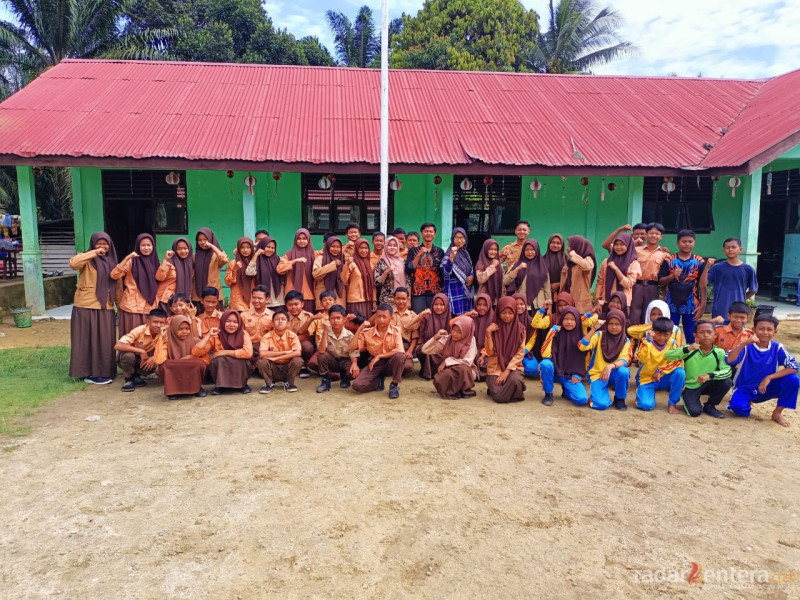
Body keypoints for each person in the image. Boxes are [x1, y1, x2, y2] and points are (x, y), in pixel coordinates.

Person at [726, 314, 799, 426]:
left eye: (769, 329)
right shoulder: (746, 346)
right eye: (761, 329)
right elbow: (729, 360)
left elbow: (794, 367)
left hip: (765, 388)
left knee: (793, 379)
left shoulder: (777, 347)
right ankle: (745, 401)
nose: (765, 332)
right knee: (739, 409)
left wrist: (769, 377)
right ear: (754, 330)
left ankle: (777, 413)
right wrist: (744, 343)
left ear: (775, 331)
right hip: (745, 388)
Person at [68, 232, 122, 384]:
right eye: (99, 243)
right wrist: (92, 253)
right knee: (86, 339)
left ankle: (105, 371)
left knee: (105, 340)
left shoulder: (113, 261)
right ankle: (87, 373)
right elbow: (73, 264)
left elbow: (118, 285)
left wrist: (120, 304)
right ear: (93, 244)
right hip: (85, 305)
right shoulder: (86, 259)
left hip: (106, 305)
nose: (102, 247)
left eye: (105, 244)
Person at [664, 320, 731, 418]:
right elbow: (668, 355)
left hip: (709, 383)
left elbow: (727, 370)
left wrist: (710, 375)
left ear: (715, 335)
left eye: (709, 332)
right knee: (694, 412)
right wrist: (687, 349)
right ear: (695, 335)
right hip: (691, 386)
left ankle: (710, 405)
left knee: (727, 381)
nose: (706, 335)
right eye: (702, 332)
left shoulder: (719, 352)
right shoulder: (690, 349)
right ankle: (689, 398)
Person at [658, 229, 707, 343]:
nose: (687, 244)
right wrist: (671, 276)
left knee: (691, 334)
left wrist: (703, 305)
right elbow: (660, 282)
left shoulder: (699, 261)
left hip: (691, 304)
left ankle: (691, 357)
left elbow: (702, 285)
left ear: (694, 243)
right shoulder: (669, 260)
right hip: (671, 304)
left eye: (690, 241)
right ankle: (671, 357)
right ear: (677, 243)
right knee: (669, 333)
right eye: (684, 241)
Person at [579, 310, 632, 410]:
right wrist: (594, 328)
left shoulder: (626, 340)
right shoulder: (599, 335)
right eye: (611, 323)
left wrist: (610, 366)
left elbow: (626, 359)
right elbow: (582, 346)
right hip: (598, 374)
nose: (613, 327)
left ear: (623, 325)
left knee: (623, 371)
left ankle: (619, 398)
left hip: (614, 372)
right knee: (601, 404)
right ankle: (598, 394)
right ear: (606, 324)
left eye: (617, 324)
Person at [351, 304, 405, 398]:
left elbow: (399, 350)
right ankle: (377, 382)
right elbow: (352, 347)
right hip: (374, 364)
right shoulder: (367, 333)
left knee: (399, 356)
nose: (381, 320)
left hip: (390, 361)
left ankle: (394, 385)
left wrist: (379, 356)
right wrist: (360, 328)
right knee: (357, 386)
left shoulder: (396, 331)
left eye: (384, 317)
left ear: (391, 318)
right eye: (378, 316)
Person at [194, 309, 254, 394]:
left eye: (235, 322)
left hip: (240, 364)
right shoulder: (216, 335)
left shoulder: (243, 334)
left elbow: (248, 353)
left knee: (243, 359)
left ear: (239, 323)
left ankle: (242, 385)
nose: (232, 325)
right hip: (222, 363)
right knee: (218, 360)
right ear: (222, 322)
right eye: (228, 321)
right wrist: (208, 335)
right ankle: (220, 386)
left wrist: (224, 352)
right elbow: (196, 353)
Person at [634, 317, 686, 412]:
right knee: (646, 405)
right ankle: (641, 394)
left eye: (666, 335)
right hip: (647, 378)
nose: (662, 338)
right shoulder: (645, 342)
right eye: (659, 334)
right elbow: (642, 359)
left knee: (680, 372)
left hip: (663, 377)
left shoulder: (673, 344)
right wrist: (649, 342)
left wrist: (660, 370)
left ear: (671, 334)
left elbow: (677, 361)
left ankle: (672, 403)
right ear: (653, 332)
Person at [113, 232, 160, 337]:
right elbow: (114, 275)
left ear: (153, 246)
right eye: (143, 245)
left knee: (147, 338)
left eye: (149, 245)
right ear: (138, 246)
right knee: (132, 337)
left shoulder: (155, 261)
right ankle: (128, 354)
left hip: (150, 306)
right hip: (132, 307)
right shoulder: (131, 261)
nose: (146, 248)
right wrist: (126, 258)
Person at [539, 307, 589, 406]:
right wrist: (552, 332)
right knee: (545, 364)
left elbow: (586, 359)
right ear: (561, 319)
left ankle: (566, 391)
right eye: (566, 319)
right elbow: (545, 353)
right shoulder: (556, 334)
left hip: (570, 375)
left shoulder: (582, 338)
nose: (569, 322)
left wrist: (578, 374)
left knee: (582, 399)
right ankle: (548, 393)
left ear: (577, 321)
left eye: (572, 319)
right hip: (556, 372)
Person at [421, 315, 478, 399]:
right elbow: (425, 350)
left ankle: (464, 389)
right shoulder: (447, 339)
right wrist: (436, 337)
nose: (454, 334)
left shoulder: (471, 340)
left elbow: (467, 361)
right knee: (442, 377)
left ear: (466, 331)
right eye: (454, 329)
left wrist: (446, 361)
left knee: (462, 368)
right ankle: (455, 391)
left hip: (468, 372)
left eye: (459, 331)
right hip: (449, 369)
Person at [702, 237, 758, 322]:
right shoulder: (717, 268)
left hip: (739, 313)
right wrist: (706, 268)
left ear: (740, 249)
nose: (730, 250)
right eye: (727, 248)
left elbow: (753, 290)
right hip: (719, 312)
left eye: (733, 247)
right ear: (723, 250)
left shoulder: (748, 269)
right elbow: (703, 284)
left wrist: (741, 299)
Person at [482, 296, 526, 403]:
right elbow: (490, 352)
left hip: (513, 367)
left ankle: (507, 389)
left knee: (514, 380)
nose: (507, 316)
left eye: (510, 313)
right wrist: (488, 333)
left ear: (515, 313)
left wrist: (506, 371)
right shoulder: (493, 328)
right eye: (504, 312)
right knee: (499, 395)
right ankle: (513, 391)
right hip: (496, 367)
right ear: (498, 312)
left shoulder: (520, 329)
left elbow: (520, 353)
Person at [153, 314, 208, 400]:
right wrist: (161, 338)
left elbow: (206, 360)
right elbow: (158, 360)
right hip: (174, 374)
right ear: (173, 329)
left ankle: (196, 388)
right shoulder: (167, 342)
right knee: (163, 365)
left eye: (187, 328)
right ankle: (172, 390)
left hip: (190, 372)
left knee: (200, 363)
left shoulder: (195, 341)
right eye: (180, 329)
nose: (184, 332)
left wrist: (190, 357)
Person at [114, 308, 166, 392]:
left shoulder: (164, 333)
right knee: (129, 356)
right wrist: (141, 351)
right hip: (128, 357)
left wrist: (153, 358)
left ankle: (137, 376)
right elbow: (118, 345)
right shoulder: (139, 330)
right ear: (148, 322)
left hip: (144, 359)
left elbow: (166, 349)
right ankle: (128, 380)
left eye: (162, 323)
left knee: (157, 361)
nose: (159, 325)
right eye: (155, 322)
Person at [629, 223, 670, 324]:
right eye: (651, 233)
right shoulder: (636, 250)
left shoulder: (665, 254)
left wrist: (665, 295)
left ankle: (647, 338)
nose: (654, 236)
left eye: (657, 234)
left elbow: (666, 275)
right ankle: (633, 338)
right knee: (634, 314)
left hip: (653, 287)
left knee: (650, 313)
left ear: (661, 237)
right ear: (646, 235)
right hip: (636, 285)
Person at [257, 309, 303, 393]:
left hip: (287, 366)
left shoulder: (292, 335)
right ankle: (269, 383)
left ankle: (289, 383)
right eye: (277, 319)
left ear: (288, 323)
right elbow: (262, 353)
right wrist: (284, 352)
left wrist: (276, 357)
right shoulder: (267, 336)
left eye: (283, 319)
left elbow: (297, 352)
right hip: (273, 366)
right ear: (272, 323)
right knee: (261, 362)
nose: (280, 321)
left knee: (298, 360)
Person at [316, 305, 359, 392]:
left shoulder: (349, 335)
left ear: (344, 319)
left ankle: (345, 377)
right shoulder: (324, 332)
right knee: (322, 355)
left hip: (345, 361)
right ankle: (325, 380)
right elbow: (321, 350)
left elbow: (353, 352)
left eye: (338, 318)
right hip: (333, 361)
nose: (335, 321)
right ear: (329, 319)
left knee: (353, 374)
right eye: (332, 318)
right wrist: (325, 331)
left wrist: (354, 364)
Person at [595, 232, 640, 313]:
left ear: (629, 246)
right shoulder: (606, 262)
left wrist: (616, 269)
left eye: (622, 244)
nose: (618, 247)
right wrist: (598, 300)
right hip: (606, 302)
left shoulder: (634, 263)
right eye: (616, 244)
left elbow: (628, 284)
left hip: (623, 304)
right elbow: (600, 282)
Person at [504, 239, 551, 314]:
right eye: (527, 250)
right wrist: (517, 269)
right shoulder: (516, 265)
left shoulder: (542, 267)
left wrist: (549, 305)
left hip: (538, 305)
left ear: (537, 250)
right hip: (520, 305)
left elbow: (547, 288)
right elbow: (505, 281)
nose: (529, 252)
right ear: (523, 251)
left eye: (532, 249)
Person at [406, 222, 445, 313]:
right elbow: (408, 270)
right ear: (421, 233)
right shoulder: (413, 251)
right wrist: (419, 255)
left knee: (434, 317)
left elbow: (442, 272)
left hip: (435, 291)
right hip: (417, 292)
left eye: (431, 231)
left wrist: (442, 288)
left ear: (434, 234)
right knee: (418, 318)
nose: (428, 233)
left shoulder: (440, 252)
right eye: (426, 231)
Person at [279, 228, 317, 313]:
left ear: (308, 240)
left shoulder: (314, 254)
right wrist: (295, 261)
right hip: (292, 293)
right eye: (299, 239)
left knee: (308, 320)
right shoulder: (289, 254)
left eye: (304, 239)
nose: (301, 241)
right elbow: (280, 269)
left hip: (309, 294)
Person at [416, 293, 452, 379]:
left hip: (444, 349)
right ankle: (428, 372)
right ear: (432, 305)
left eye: (442, 304)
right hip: (428, 345)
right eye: (436, 304)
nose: (438, 307)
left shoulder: (450, 319)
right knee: (426, 351)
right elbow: (421, 337)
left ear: (446, 305)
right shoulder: (426, 318)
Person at [440, 227, 475, 315]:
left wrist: (472, 276)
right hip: (454, 291)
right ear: (453, 239)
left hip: (466, 291)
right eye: (457, 237)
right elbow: (446, 272)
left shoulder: (466, 254)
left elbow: (471, 268)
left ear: (465, 239)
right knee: (455, 318)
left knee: (466, 317)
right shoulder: (448, 254)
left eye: (462, 237)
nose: (459, 240)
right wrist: (452, 256)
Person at [559, 236, 596, 314]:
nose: (568, 249)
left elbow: (588, 266)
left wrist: (574, 255)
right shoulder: (569, 263)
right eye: (568, 246)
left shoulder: (587, 259)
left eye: (570, 246)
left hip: (581, 305)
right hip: (567, 302)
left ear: (577, 247)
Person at [155, 237, 193, 313]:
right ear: (175, 250)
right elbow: (159, 277)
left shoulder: (190, 263)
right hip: (167, 300)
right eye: (179, 249)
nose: (183, 251)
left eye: (185, 248)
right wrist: (165, 259)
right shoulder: (169, 262)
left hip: (182, 301)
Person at [248, 236, 285, 310]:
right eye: (267, 247)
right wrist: (256, 254)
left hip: (278, 301)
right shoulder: (257, 260)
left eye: (273, 248)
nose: (270, 250)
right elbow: (249, 272)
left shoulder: (279, 259)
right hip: (262, 301)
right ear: (262, 247)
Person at [192, 228, 228, 302]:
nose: (203, 242)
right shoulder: (194, 256)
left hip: (213, 294)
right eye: (200, 240)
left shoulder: (216, 255)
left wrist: (212, 246)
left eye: (206, 239)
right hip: (197, 295)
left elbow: (224, 259)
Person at [285, 290, 316, 377]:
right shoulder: (283, 317)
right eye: (290, 305)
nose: (293, 307)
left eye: (296, 304)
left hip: (301, 342)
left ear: (302, 304)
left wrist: (294, 340)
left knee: (307, 347)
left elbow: (306, 335)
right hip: (286, 343)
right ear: (286, 305)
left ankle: (304, 366)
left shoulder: (309, 316)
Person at [241, 285, 274, 365]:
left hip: (265, 348)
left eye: (260, 298)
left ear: (267, 299)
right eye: (254, 297)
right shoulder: (244, 315)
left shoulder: (273, 316)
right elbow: (240, 335)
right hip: (249, 347)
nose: (256, 301)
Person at [344, 238, 377, 317]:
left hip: (367, 300)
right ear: (356, 249)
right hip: (354, 300)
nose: (364, 250)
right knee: (354, 325)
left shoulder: (370, 265)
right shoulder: (352, 263)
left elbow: (373, 284)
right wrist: (347, 265)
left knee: (366, 324)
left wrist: (374, 300)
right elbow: (343, 279)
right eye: (361, 248)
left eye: (366, 248)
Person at [312, 236, 346, 309]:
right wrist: (332, 265)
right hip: (323, 297)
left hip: (339, 297)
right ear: (327, 246)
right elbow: (315, 274)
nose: (336, 249)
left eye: (338, 247)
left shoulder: (343, 260)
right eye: (333, 246)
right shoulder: (320, 258)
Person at [224, 237, 256, 312]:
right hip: (238, 300)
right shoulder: (233, 263)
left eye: (248, 247)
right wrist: (235, 270)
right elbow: (228, 282)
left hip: (253, 299)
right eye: (242, 247)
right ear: (238, 249)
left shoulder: (255, 262)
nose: (245, 250)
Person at [374, 235, 407, 307]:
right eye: (389, 245)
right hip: (387, 300)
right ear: (385, 246)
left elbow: (408, 282)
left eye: (394, 245)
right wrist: (387, 271)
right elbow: (377, 283)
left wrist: (409, 298)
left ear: (397, 247)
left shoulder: (403, 262)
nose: (392, 247)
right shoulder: (381, 262)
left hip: (402, 300)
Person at [472, 293, 495, 381]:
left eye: (485, 305)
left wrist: (483, 355)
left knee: (489, 362)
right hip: (474, 350)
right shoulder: (472, 318)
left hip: (488, 351)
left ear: (489, 305)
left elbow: (494, 340)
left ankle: (477, 373)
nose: (481, 307)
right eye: (479, 305)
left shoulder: (493, 319)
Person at [474, 238, 503, 305]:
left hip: (497, 299)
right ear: (486, 249)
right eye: (491, 249)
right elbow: (481, 279)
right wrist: (492, 266)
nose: (493, 252)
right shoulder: (481, 263)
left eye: (495, 249)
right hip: (485, 300)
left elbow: (502, 280)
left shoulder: (497, 262)